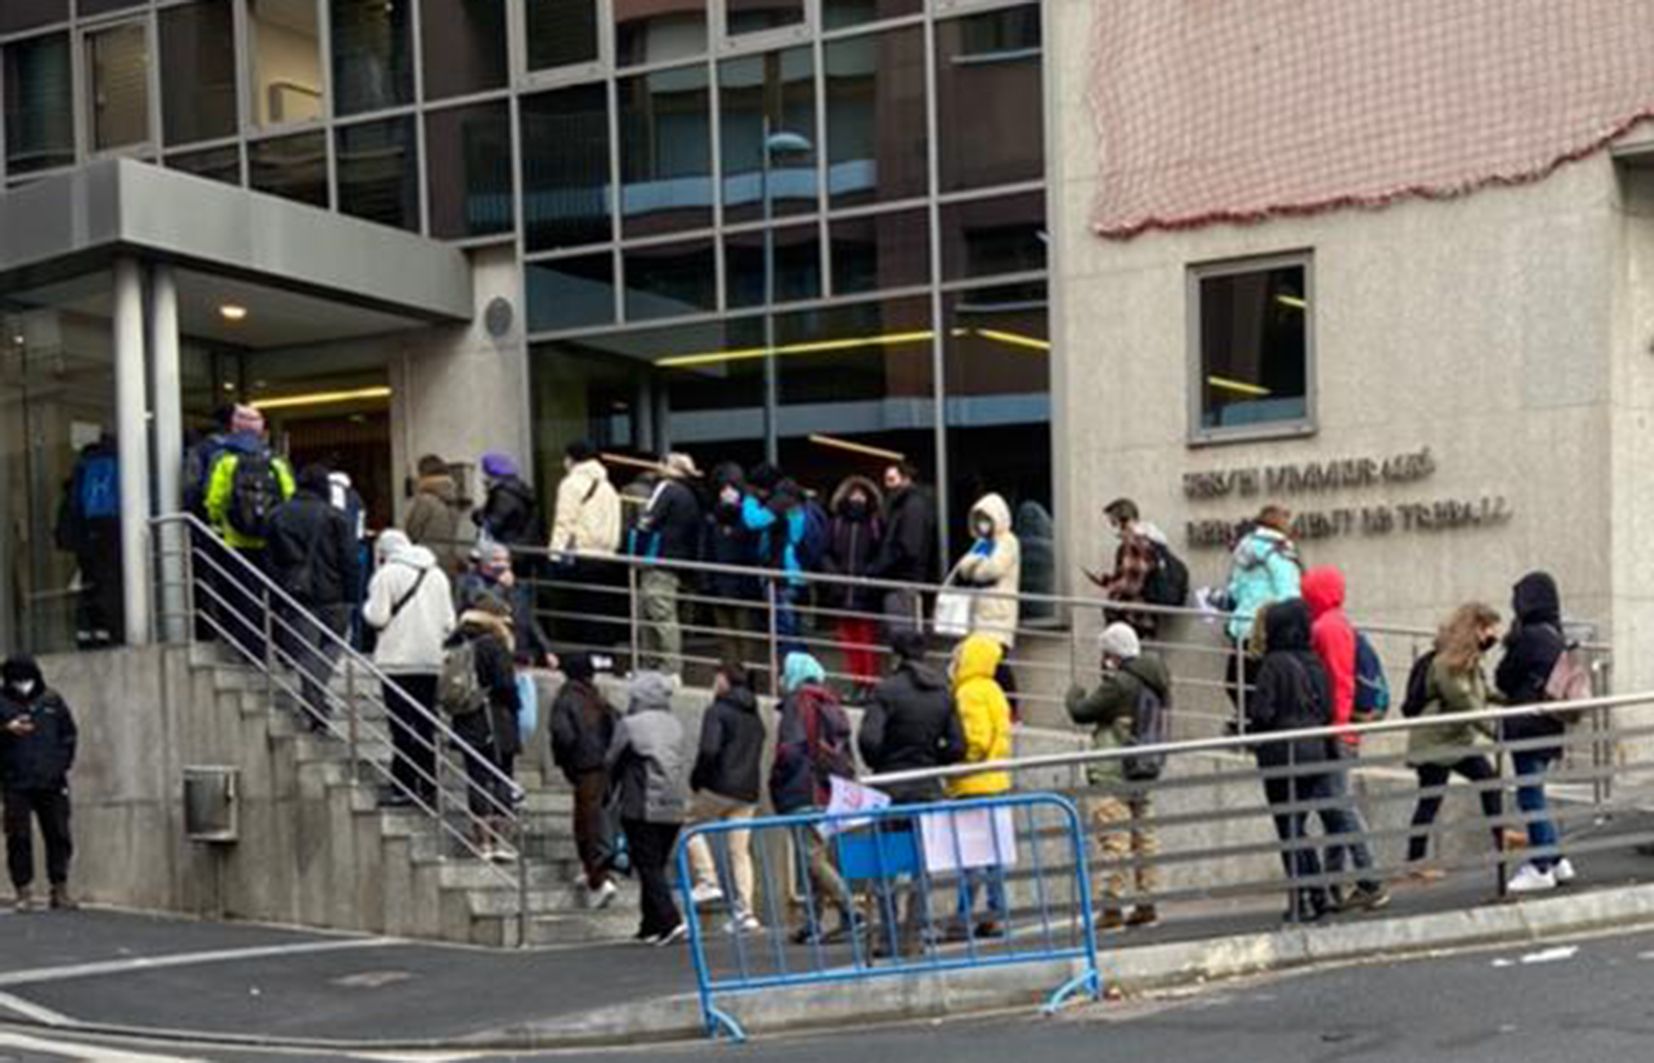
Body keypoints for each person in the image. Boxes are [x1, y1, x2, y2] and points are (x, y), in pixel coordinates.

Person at [858, 630, 965, 956]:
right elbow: (959, 745)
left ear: (896, 655)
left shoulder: (885, 691)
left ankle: (888, 936)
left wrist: (883, 762)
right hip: (927, 786)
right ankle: (913, 936)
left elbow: (869, 741)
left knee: (886, 865)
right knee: (923, 865)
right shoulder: (943, 693)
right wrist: (932, 758)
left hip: (890, 787)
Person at [1064, 623, 1167, 930]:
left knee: (1115, 840)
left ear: (1113, 652)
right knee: (1144, 837)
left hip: (1113, 770)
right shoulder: (1155, 678)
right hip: (1144, 768)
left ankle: (1111, 909)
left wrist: (1074, 693)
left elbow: (1082, 711)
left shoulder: (1120, 684)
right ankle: (1147, 901)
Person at [1301, 566, 1387, 912]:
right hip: (1342, 729)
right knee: (1333, 805)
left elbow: (1339, 681)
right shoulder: (1337, 622)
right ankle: (1334, 881)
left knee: (1338, 805)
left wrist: (1334, 726)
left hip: (1337, 730)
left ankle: (1370, 880)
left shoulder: (1327, 627)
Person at [1405, 603, 1512, 880]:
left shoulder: (1468, 659)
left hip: (1457, 740)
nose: (1493, 636)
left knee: (1489, 781)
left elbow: (1481, 692)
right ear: (1475, 629)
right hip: (1435, 743)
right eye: (1489, 629)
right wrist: (1495, 733)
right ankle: (1414, 861)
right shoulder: (1447, 663)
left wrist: (1512, 700)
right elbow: (1464, 703)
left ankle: (1501, 834)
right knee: (1430, 801)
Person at [1245, 599, 1335, 922]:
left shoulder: (1273, 664)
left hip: (1282, 755)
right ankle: (1319, 892)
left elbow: (1261, 713)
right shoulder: (1314, 662)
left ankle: (1305, 898)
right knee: (1299, 825)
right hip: (1316, 751)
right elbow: (1328, 710)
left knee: (1289, 829)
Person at [1494, 571, 1576, 893]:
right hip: (1551, 723)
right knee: (1536, 792)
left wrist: (1510, 643)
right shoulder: (1555, 634)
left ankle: (1541, 865)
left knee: (1531, 795)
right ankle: (1556, 859)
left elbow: (1504, 677)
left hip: (1529, 724)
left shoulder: (1529, 637)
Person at [266, 464, 362, 730]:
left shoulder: (278, 515)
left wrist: (276, 596)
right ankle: (316, 695)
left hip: (296, 594)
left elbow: (271, 561)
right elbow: (350, 559)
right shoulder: (336, 517)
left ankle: (314, 701)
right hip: (334, 593)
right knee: (332, 645)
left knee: (305, 649)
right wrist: (353, 596)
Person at [771, 652, 858, 945]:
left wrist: (777, 780)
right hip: (829, 790)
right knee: (815, 859)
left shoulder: (798, 702)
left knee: (811, 858)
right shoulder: (829, 702)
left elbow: (790, 750)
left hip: (803, 789)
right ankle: (813, 921)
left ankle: (851, 910)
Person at [363, 529, 455, 808]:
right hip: (430, 660)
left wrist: (367, 611)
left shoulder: (387, 575)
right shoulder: (437, 574)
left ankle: (403, 784)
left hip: (397, 662)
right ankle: (428, 786)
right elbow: (449, 622)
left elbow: (377, 617)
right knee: (425, 724)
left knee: (401, 726)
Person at [204, 405, 296, 662]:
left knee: (242, 594)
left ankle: (250, 650)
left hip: (235, 539)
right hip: (269, 540)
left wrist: (218, 524)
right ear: (261, 431)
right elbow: (289, 497)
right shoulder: (276, 461)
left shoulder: (224, 459)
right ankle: (282, 649)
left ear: (234, 428)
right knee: (275, 594)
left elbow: (214, 499)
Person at [606, 670, 689, 946]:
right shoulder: (674, 723)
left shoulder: (630, 724)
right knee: (656, 863)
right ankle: (650, 924)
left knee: (647, 864)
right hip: (675, 804)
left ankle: (670, 920)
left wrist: (608, 794)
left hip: (642, 804)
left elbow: (613, 760)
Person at [685, 662, 767, 932]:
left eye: (716, 677)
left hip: (719, 785)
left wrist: (697, 780)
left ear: (724, 680)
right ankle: (746, 912)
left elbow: (709, 750)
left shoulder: (717, 711)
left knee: (689, 825)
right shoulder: (754, 715)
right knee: (740, 851)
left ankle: (708, 879)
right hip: (749, 791)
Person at [945, 634, 1015, 940]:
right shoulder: (994, 690)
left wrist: (957, 761)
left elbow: (976, 739)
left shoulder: (968, 693)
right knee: (993, 856)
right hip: (997, 779)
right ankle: (995, 914)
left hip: (972, 781)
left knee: (971, 856)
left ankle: (962, 919)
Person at [446, 591, 523, 862]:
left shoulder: (458, 639)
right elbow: (505, 685)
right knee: (501, 774)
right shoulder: (494, 644)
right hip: (495, 718)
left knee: (476, 777)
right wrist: (517, 704)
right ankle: (500, 839)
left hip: (467, 717)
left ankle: (481, 841)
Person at [0, 657, 77, 912]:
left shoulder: (51, 701)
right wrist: (6, 730)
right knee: (18, 836)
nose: (22, 683)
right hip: (15, 781)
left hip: (51, 781)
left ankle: (60, 886)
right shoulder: (2, 702)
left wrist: (60, 765)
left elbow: (68, 735)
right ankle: (23, 890)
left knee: (58, 833)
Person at [548, 652, 619, 909]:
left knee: (586, 824)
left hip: (583, 766)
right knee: (600, 820)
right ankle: (597, 870)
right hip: (605, 766)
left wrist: (566, 758)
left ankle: (598, 879)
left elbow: (562, 734)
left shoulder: (566, 699)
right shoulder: (599, 699)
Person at [1224, 505, 1302, 712]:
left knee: (1236, 683)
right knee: (1266, 686)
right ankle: (1257, 728)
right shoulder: (1279, 551)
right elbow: (1289, 592)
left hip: (1242, 628)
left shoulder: (1245, 548)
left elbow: (1235, 589)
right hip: (1267, 629)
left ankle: (1247, 725)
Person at [632, 453, 704, 675]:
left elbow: (647, 522)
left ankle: (664, 667)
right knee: (662, 614)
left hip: (657, 560)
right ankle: (664, 666)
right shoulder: (691, 494)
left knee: (656, 615)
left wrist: (635, 554)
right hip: (677, 561)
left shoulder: (666, 489)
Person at [550, 441, 624, 648]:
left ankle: (581, 655)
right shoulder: (608, 486)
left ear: (571, 458)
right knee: (601, 609)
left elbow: (564, 521)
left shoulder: (571, 484)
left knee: (578, 610)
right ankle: (603, 656)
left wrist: (555, 554)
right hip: (606, 556)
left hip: (581, 555)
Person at [953, 493, 1021, 713]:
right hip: (979, 614)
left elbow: (993, 570)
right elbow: (961, 569)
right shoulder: (981, 544)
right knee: (980, 663)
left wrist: (975, 567)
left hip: (999, 613)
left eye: (987, 518)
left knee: (998, 662)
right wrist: (977, 564)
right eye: (980, 518)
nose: (983, 523)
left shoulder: (1008, 541)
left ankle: (1012, 710)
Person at [54, 434, 122, 648]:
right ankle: (112, 629)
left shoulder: (85, 466)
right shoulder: (122, 460)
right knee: (113, 579)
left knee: (91, 581)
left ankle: (88, 631)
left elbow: (74, 505)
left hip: (89, 532)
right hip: (116, 527)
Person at [823, 475, 885, 700]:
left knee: (867, 639)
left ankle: (869, 685)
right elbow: (825, 553)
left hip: (865, 593)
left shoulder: (876, 524)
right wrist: (834, 576)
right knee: (849, 642)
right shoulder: (836, 524)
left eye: (861, 495)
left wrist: (869, 575)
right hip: (841, 593)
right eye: (853, 495)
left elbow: (881, 555)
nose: (857, 499)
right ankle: (857, 683)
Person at [741, 465, 811, 662]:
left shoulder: (780, 501)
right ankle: (802, 677)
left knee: (786, 632)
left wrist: (749, 499)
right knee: (794, 630)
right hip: (796, 574)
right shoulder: (795, 499)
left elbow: (754, 521)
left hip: (783, 575)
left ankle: (794, 678)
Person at [700, 463, 760, 669]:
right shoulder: (712, 520)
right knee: (725, 634)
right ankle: (731, 671)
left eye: (731, 488)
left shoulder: (749, 517)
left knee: (744, 633)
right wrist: (706, 581)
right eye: (723, 488)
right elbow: (706, 552)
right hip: (720, 584)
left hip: (742, 585)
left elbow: (754, 551)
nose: (727, 493)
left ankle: (745, 672)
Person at [868, 462, 937, 638]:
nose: (887, 485)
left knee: (904, 634)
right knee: (901, 632)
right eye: (886, 479)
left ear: (905, 479)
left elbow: (908, 547)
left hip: (904, 579)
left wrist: (879, 567)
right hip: (900, 578)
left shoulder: (911, 505)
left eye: (892, 479)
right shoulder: (902, 504)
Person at [457, 543, 554, 667]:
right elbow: (485, 603)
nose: (502, 565)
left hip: (517, 651)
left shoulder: (516, 587)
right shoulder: (471, 582)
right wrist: (503, 588)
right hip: (486, 651)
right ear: (483, 563)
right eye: (496, 560)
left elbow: (528, 618)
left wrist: (546, 649)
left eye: (506, 560)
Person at [1085, 498, 1165, 640]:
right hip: (1138, 618)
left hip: (1132, 618)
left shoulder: (1135, 542)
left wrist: (1109, 585)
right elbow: (1131, 576)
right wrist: (1104, 579)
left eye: (1113, 522)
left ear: (1124, 521)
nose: (1112, 528)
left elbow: (1131, 586)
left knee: (1122, 659)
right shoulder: (1144, 541)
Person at [404, 454, 469, 578]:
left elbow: (412, 531)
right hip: (449, 561)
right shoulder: (453, 498)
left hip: (426, 561)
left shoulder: (425, 500)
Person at [473, 451, 541, 554]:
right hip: (521, 547)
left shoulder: (503, 494)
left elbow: (492, 523)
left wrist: (477, 516)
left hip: (504, 549)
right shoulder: (520, 490)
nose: (484, 478)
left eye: (485, 473)